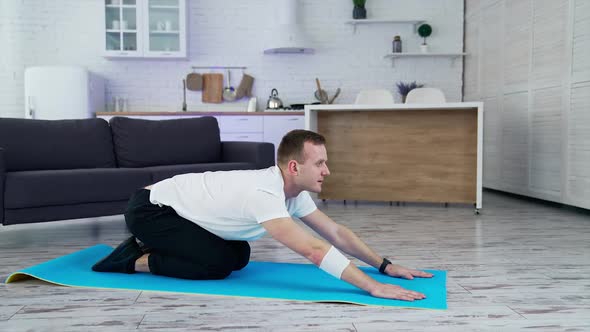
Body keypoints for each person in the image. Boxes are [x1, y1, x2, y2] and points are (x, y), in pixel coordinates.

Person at [92, 129, 433, 301]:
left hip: (180, 213)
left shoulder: (292, 193)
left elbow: (336, 233)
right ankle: (131, 258)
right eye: (320, 163)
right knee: (217, 264)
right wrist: (373, 288)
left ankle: (151, 248)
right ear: (294, 166)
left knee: (238, 254)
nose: (327, 171)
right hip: (152, 210)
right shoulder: (265, 193)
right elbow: (313, 250)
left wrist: (384, 266)